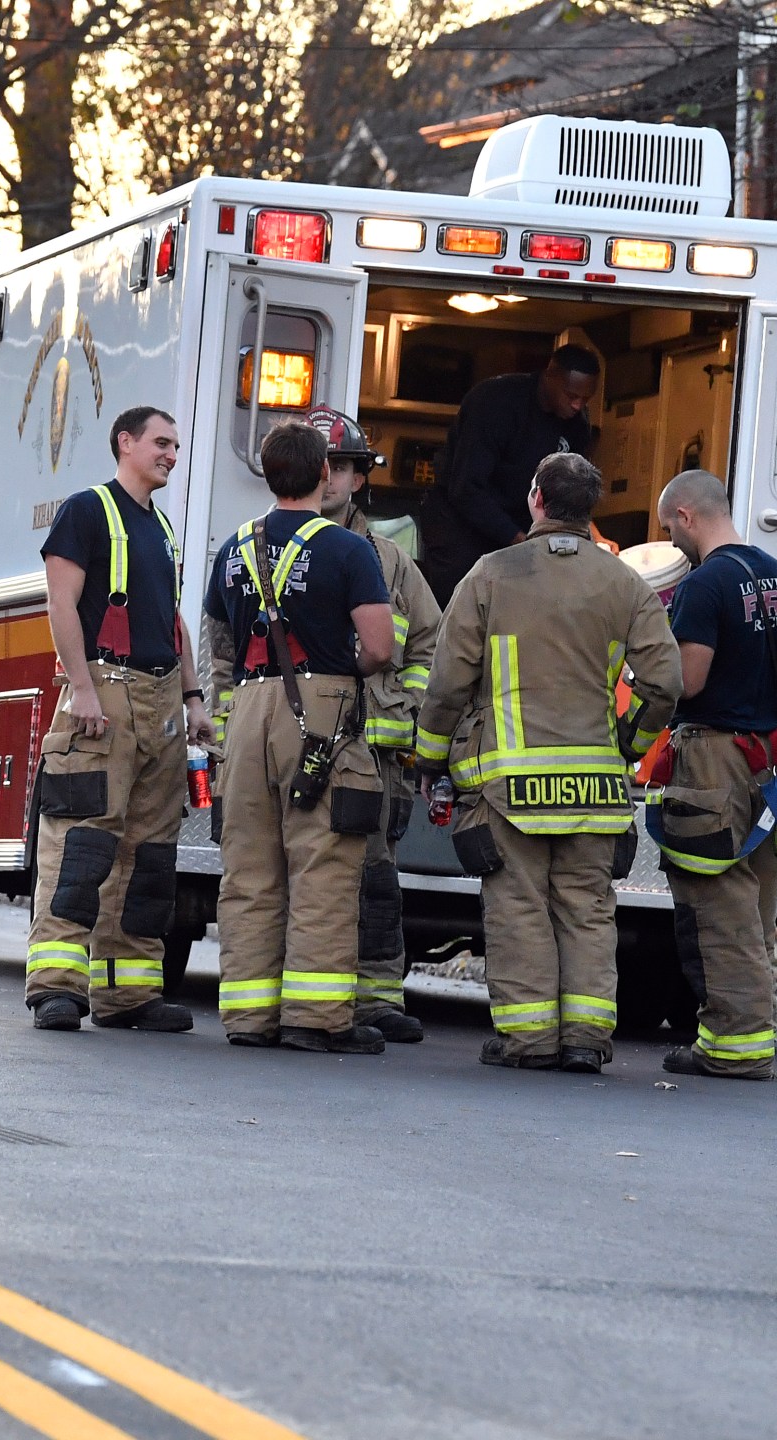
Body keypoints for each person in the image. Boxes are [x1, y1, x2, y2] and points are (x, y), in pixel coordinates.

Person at [413, 453, 680, 1074]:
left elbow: (449, 682)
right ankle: (586, 1040)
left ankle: (529, 1040)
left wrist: (430, 756)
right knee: (587, 908)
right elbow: (664, 680)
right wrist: (628, 744)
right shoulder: (623, 583)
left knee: (519, 907)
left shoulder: (489, 576)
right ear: (591, 508)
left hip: (511, 789)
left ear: (535, 498)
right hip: (594, 787)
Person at [205, 420, 397, 1054]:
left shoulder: (233, 547)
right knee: (322, 863)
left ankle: (248, 1017)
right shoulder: (349, 550)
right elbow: (378, 646)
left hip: (248, 710)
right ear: (323, 475)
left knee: (250, 868)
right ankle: (313, 1018)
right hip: (319, 710)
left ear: (266, 473)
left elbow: (220, 646)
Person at [25, 406, 214, 1033]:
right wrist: (81, 687)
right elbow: (61, 603)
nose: (171, 454)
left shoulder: (160, 526)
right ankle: (55, 986)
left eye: (176, 446)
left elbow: (172, 624)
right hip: (104, 691)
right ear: (124, 443)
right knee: (81, 845)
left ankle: (127, 993)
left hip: (160, 702)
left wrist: (192, 699)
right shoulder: (87, 511)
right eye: (161, 443)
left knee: (149, 855)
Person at [650, 469, 777, 1080]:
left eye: (671, 529)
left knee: (716, 904)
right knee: (754, 903)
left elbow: (688, 681)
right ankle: (746, 1032)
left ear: (688, 515)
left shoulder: (705, 585)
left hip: (715, 760)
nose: (672, 543)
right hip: (770, 763)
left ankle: (733, 1044)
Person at [306, 405, 441, 1044]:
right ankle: (303, 995)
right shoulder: (263, 546)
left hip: (376, 755)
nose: (330, 477)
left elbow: (430, 648)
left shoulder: (390, 563)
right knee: (301, 877)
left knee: (376, 884)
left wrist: (404, 714)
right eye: (321, 464)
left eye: (342, 467)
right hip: (298, 749)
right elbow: (228, 650)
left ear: (360, 478)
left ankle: (376, 997)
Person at [418, 346, 602, 604]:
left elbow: (570, 492)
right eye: (571, 395)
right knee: (461, 603)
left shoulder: (577, 425)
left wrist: (592, 534)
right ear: (550, 376)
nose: (577, 405)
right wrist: (520, 539)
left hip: (525, 523)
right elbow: (466, 488)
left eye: (585, 399)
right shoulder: (494, 403)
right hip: (460, 522)